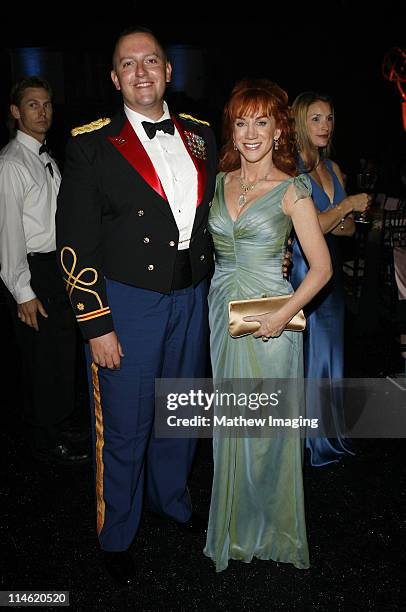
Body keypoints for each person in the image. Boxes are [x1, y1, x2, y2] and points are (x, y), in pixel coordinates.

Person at [55, 27, 217, 586]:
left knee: (182, 412)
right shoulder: (90, 144)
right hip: (126, 303)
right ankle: (117, 532)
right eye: (129, 64)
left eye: (152, 61)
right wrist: (96, 323)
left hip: (191, 297)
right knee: (123, 427)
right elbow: (74, 243)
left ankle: (171, 501)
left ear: (169, 71)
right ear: (114, 78)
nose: (142, 72)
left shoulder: (200, 135)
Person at [203, 79, 332, 572]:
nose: (252, 132)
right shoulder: (218, 183)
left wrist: (281, 316)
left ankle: (275, 532)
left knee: (269, 428)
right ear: (231, 132)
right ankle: (235, 528)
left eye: (262, 121)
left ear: (279, 129)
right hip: (222, 310)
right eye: (242, 122)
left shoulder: (293, 189)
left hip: (272, 315)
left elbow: (322, 269)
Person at [0, 76, 89, 465]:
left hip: (57, 267)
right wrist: (23, 292)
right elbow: (9, 234)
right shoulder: (11, 163)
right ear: (16, 112)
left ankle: (60, 421)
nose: (42, 112)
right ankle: (44, 437)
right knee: (40, 357)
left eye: (47, 104)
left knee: (60, 351)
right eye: (33, 105)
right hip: (33, 271)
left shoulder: (46, 156)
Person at [290, 92, 369, 466]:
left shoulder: (333, 169)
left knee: (332, 354)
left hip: (331, 273)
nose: (325, 126)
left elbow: (349, 231)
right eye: (316, 118)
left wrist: (334, 217)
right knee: (306, 357)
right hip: (303, 273)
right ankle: (304, 442)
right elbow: (311, 227)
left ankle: (329, 435)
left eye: (329, 118)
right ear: (301, 123)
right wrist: (345, 207)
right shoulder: (289, 169)